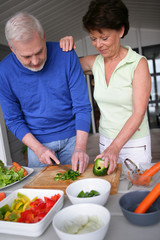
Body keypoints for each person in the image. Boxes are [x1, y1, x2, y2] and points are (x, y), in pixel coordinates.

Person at [60, 0, 152, 174]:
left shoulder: (138, 64)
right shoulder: (95, 62)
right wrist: (65, 47)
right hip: (105, 140)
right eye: (93, 38)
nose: (98, 44)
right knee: (109, 190)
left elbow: (138, 113)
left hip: (135, 144)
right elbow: (64, 66)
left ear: (121, 31)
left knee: (136, 192)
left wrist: (115, 147)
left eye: (104, 38)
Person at [0, 12, 92, 173]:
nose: (35, 61)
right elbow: (13, 119)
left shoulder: (66, 54)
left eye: (39, 52)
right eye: (27, 56)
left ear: (43, 37)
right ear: (13, 49)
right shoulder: (4, 72)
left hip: (74, 140)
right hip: (37, 145)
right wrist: (38, 148)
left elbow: (82, 107)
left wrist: (80, 148)